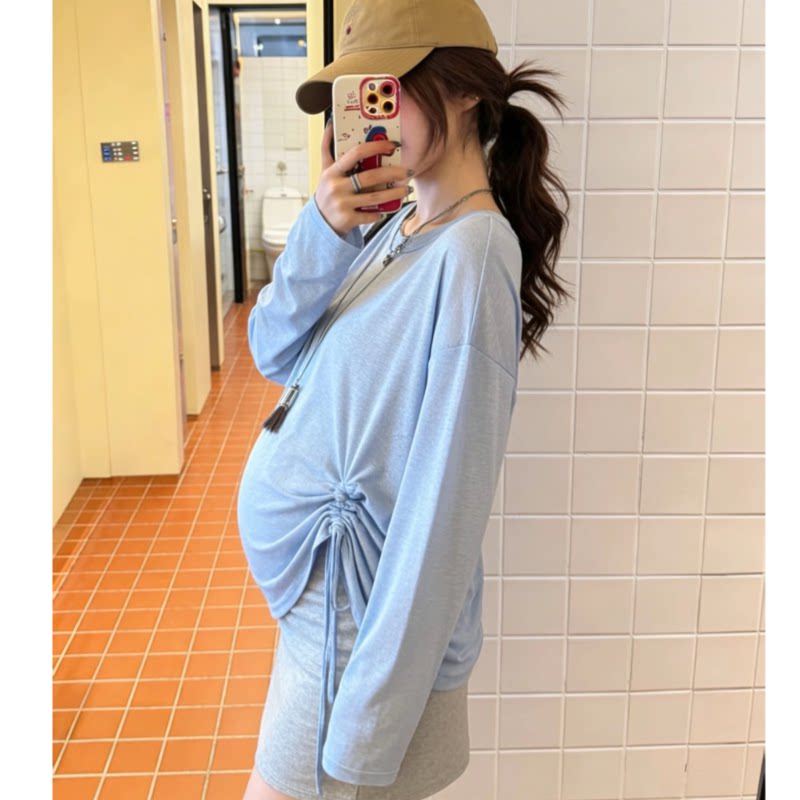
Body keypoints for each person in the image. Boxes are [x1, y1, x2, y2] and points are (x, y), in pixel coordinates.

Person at [238, 1, 573, 799]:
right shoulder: (398, 226)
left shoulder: (473, 256)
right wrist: (324, 228)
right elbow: (272, 350)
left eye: (383, 87)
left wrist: (364, 734)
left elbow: (442, 514)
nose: (365, 114)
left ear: (463, 90)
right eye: (353, 95)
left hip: (353, 635)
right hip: (326, 621)